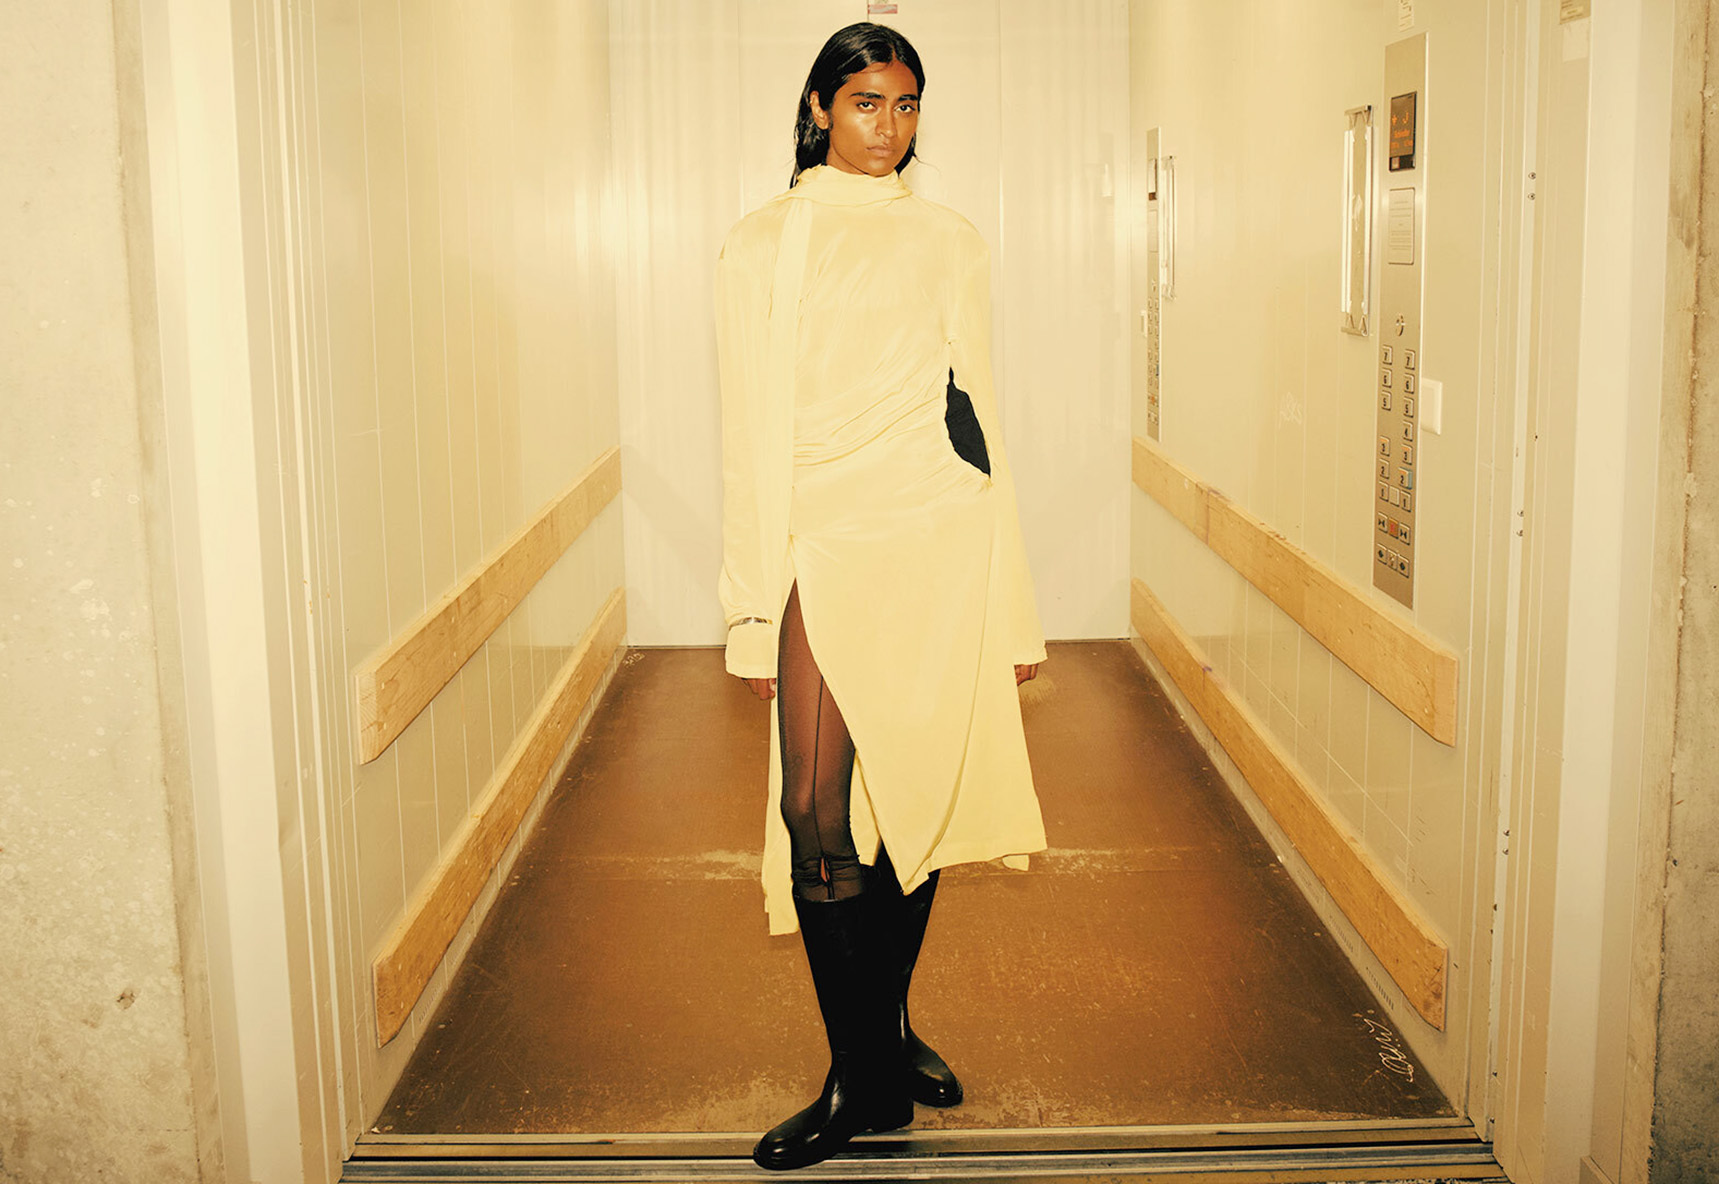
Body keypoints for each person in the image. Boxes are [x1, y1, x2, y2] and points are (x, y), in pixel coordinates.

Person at [714, 21, 1048, 1172]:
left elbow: (981, 420)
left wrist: (1014, 606)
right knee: (815, 807)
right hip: (821, 540)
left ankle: (879, 1047)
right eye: (867, 103)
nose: (889, 127)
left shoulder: (948, 239)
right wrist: (751, 610)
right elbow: (746, 440)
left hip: (938, 538)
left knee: (920, 789)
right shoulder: (764, 243)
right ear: (819, 108)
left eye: (906, 105)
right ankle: (863, 1069)